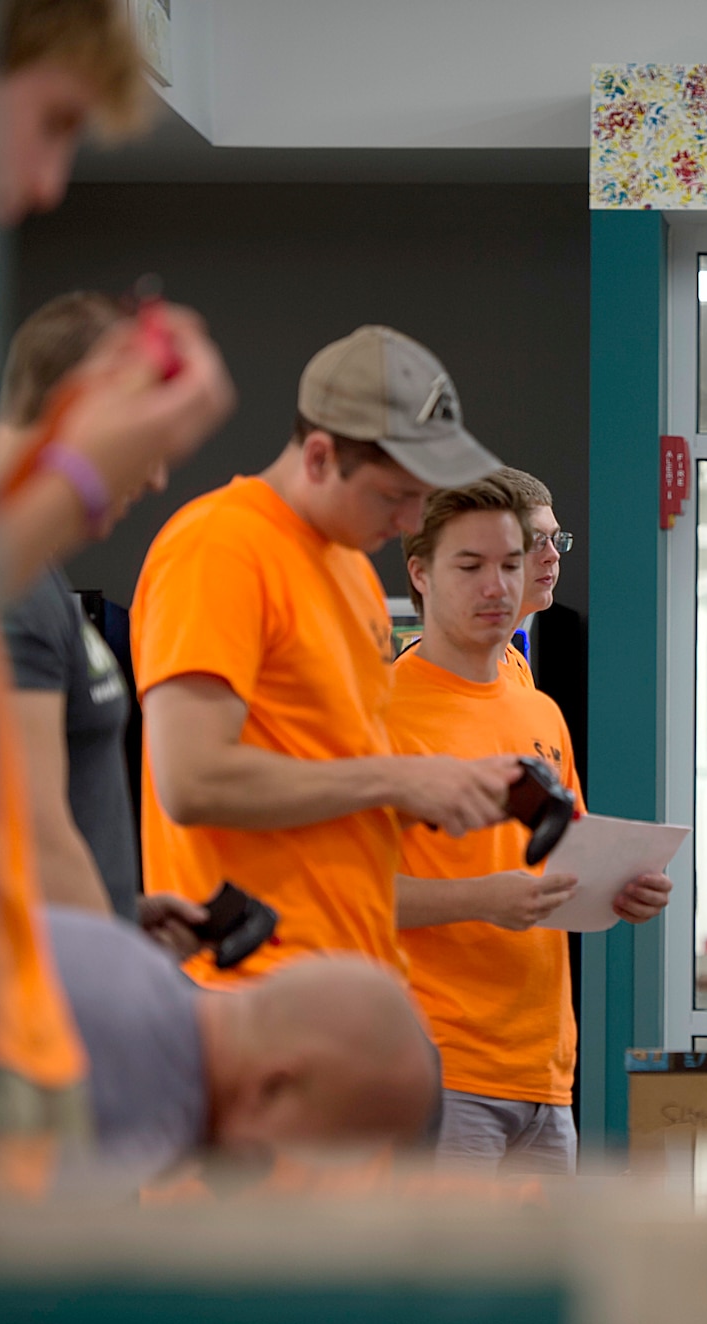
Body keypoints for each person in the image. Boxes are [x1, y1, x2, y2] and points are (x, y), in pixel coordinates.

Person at [0, 0, 235, 1144]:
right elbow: (34, 826)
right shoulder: (7, 579)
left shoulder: (34, 585)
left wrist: (126, 923)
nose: (43, 184)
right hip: (26, 1033)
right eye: (52, 122)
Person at [134, 326, 523, 988]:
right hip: (258, 988)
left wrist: (440, 786)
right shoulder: (220, 547)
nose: (410, 518)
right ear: (318, 456)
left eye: (422, 495)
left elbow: (329, 767)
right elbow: (192, 780)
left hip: (351, 978)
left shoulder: (350, 569)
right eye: (394, 493)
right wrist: (396, 780)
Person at [388, 479, 671, 1173]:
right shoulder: (380, 713)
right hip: (439, 1063)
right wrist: (483, 898)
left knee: (548, 1282)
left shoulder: (539, 710)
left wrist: (618, 886)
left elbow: (564, 856)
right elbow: (347, 893)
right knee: (452, 1283)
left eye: (512, 563)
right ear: (420, 574)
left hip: (545, 1071)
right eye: (471, 566)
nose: (498, 585)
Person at [0, 292, 208, 958]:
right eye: (149, 441)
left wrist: (117, 911)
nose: (157, 475)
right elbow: (38, 839)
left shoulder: (28, 570)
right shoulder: (6, 580)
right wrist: (128, 981)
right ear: (83, 408)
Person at [43, 907, 439, 1177]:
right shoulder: (135, 1121)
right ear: (274, 1087)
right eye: (312, 1155)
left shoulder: (124, 950)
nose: (276, 1171)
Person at [492, 467, 571, 688]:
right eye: (534, 539)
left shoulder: (515, 662)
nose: (553, 555)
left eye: (555, 538)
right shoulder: (436, 676)